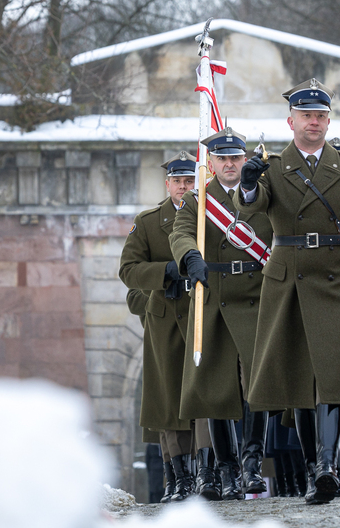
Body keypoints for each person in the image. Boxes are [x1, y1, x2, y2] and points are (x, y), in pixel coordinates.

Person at [232, 78, 340, 505]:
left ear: (327, 119)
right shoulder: (274, 166)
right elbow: (253, 205)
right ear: (291, 120)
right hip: (289, 279)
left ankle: (326, 465)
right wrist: (247, 183)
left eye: (320, 116)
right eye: (306, 116)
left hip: (337, 279)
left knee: (335, 375)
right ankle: (315, 467)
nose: (314, 123)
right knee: (298, 376)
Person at [169, 128, 274, 501]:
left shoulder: (260, 192)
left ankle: (251, 464)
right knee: (216, 388)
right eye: (222, 158)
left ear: (244, 159)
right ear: (210, 163)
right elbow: (180, 233)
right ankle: (227, 470)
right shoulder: (199, 201)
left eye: (236, 157)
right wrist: (189, 255)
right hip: (214, 300)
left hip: (255, 299)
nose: (230, 165)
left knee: (256, 387)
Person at [118, 152, 198, 502]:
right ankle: (178, 476)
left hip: (201, 314)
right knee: (167, 402)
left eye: (190, 180)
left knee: (205, 396)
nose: (184, 186)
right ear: (167, 184)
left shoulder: (211, 218)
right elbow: (129, 270)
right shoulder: (149, 222)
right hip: (165, 319)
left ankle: (205, 472)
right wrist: (165, 271)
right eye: (178, 181)